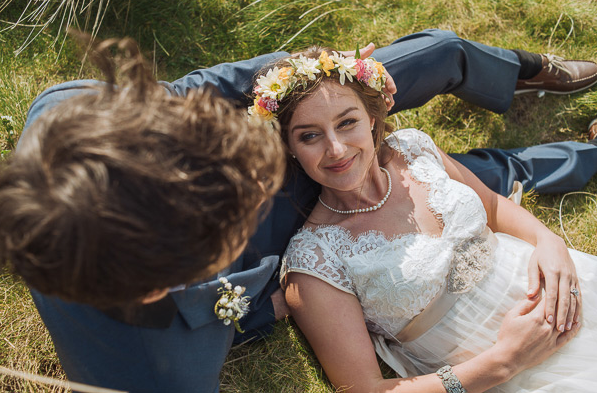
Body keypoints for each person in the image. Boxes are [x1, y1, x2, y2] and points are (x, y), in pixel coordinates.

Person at [0, 29, 597, 393]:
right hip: (287, 233)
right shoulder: (149, 371)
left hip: (280, 114)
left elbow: (207, 86)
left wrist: (292, 82)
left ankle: (525, 72)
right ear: (156, 285)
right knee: (478, 181)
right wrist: (277, 299)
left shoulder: (73, 112)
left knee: (431, 72)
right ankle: (574, 158)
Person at [254, 47, 597, 392]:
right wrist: (506, 360)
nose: (337, 149)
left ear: (371, 118)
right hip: (503, 371)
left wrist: (548, 242)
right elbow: (364, 389)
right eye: (310, 136)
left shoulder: (413, 148)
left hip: (561, 282)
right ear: (289, 147)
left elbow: (491, 206)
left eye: (347, 123)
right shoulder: (313, 260)